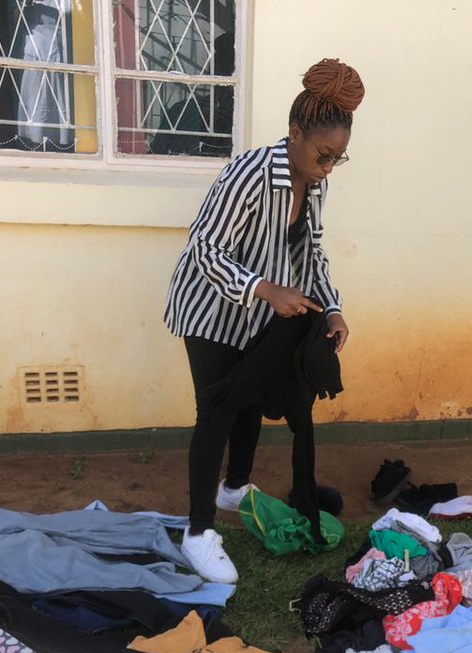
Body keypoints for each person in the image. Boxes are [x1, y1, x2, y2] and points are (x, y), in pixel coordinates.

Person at [163, 58, 364, 582]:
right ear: (295, 134)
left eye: (338, 159)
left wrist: (334, 308)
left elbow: (312, 253)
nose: (328, 167)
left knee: (251, 397)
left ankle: (234, 489)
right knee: (217, 412)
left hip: (258, 313)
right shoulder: (251, 174)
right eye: (323, 155)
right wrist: (263, 288)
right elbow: (204, 248)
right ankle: (199, 532)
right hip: (209, 309)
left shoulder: (315, 185)